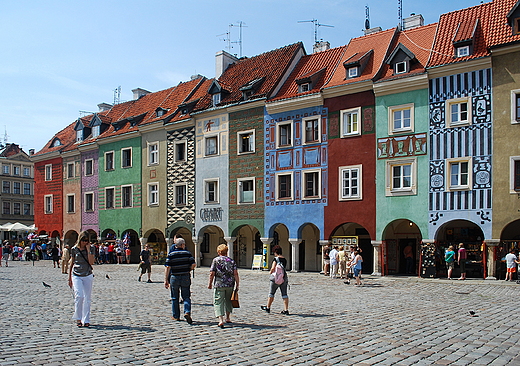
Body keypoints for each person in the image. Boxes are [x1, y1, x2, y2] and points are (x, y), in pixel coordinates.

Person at [164, 237, 196, 323]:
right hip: (185, 276)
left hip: (174, 277)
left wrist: (166, 279)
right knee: (186, 296)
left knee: (175, 297)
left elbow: (167, 267)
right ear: (182, 245)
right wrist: (189, 269)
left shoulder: (171, 254)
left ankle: (176, 316)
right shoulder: (187, 253)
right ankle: (187, 311)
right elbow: (193, 264)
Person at [208, 244, 239, 328]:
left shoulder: (216, 260)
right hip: (230, 284)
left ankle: (221, 320)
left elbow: (212, 273)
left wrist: (210, 283)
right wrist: (237, 284)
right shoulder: (231, 261)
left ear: (219, 252)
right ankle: (228, 317)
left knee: (218, 301)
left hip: (219, 284)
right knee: (228, 300)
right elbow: (235, 273)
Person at [68, 232, 95, 327]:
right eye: (83, 240)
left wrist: (88, 250)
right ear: (79, 240)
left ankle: (86, 319)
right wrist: (69, 278)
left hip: (87, 274)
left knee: (87, 298)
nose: (85, 242)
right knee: (79, 296)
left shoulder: (91, 248)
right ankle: (78, 318)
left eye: (87, 240)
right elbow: (71, 263)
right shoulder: (74, 249)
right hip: (76, 274)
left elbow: (91, 262)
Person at [261, 245, 289, 315]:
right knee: (284, 294)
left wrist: (270, 272)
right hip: (283, 278)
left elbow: (273, 268)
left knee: (271, 293)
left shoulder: (276, 259)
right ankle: (286, 309)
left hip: (275, 278)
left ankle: (268, 307)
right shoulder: (284, 259)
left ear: (275, 252)